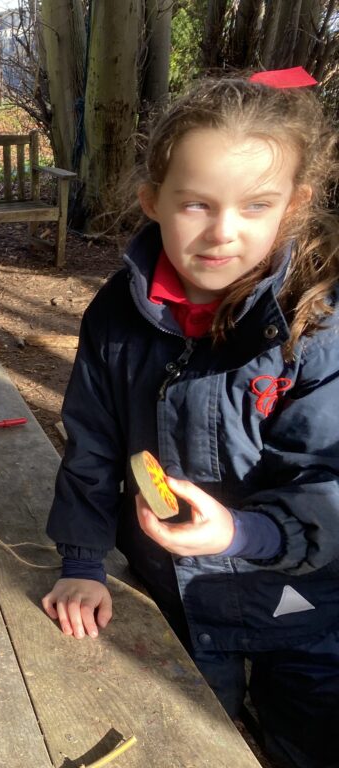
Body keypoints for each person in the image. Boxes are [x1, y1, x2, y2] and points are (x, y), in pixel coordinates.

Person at [41, 70, 339, 768]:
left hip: (302, 604)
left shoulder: (315, 328)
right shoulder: (118, 316)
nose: (222, 232)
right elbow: (92, 447)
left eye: (255, 205)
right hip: (168, 597)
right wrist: (83, 562)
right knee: (189, 744)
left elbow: (327, 484)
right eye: (196, 204)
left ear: (292, 209)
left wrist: (241, 532)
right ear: (153, 201)